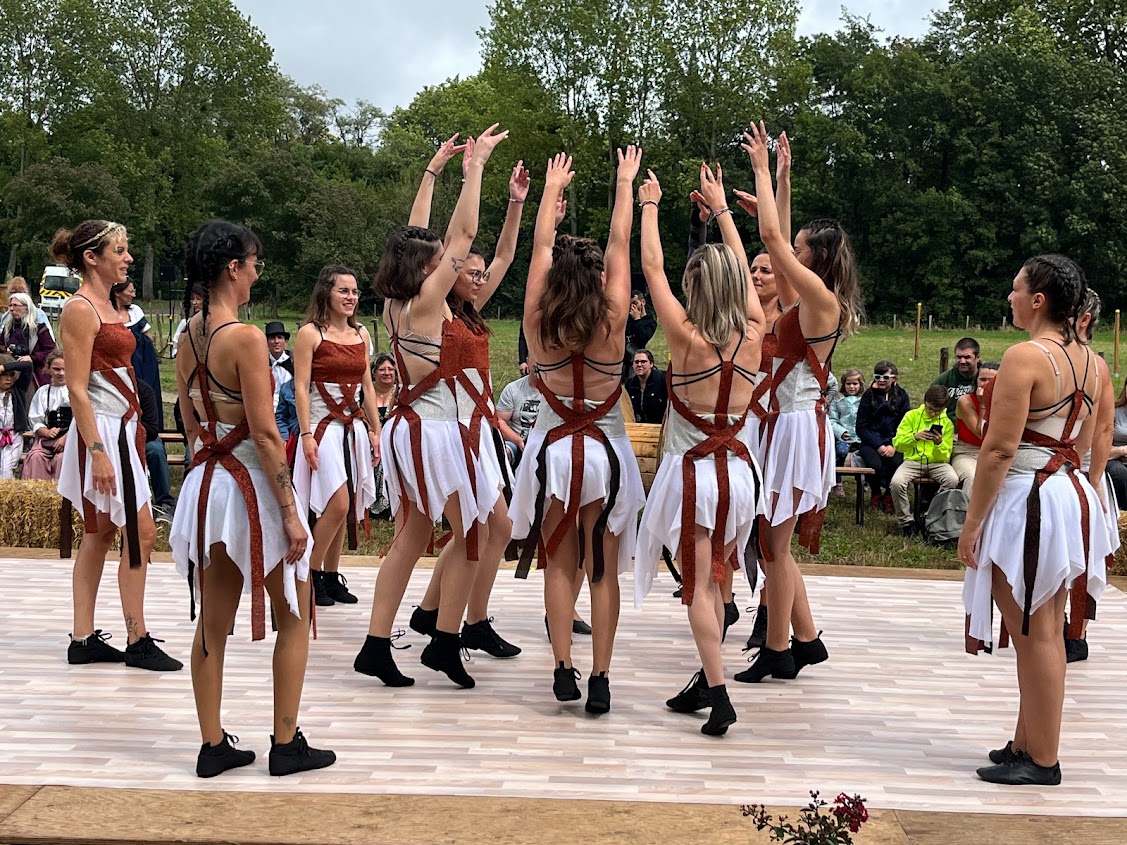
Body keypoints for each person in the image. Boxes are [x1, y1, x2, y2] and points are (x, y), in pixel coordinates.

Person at [171, 219, 333, 778]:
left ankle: (212, 744)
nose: (257, 272)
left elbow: (191, 420)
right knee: (296, 612)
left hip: (208, 485)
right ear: (233, 268)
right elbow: (266, 433)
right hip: (249, 489)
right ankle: (286, 743)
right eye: (255, 263)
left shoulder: (188, 335)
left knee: (212, 622)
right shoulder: (245, 338)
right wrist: (290, 511)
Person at [354, 126, 508, 689]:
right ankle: (443, 642)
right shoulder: (426, 303)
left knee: (412, 538)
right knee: (467, 535)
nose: (450, 259)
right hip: (434, 430)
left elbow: (415, 235)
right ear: (426, 269)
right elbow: (462, 233)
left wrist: (433, 172)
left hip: (416, 426)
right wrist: (476, 169)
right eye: (439, 260)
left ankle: (380, 643)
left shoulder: (398, 302)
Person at [960, 254, 1111, 786]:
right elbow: (1094, 441)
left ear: (1039, 299)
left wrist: (973, 523)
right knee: (1038, 627)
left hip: (1032, 497)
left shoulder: (1025, 356)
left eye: (1016, 289)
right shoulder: (1095, 362)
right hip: (1068, 493)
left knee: (1035, 632)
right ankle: (1027, 740)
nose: (1010, 297)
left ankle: (1043, 759)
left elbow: (998, 449)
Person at [509, 146, 647, 713]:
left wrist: (549, 192)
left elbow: (539, 248)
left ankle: (562, 665)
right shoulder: (613, 321)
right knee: (603, 568)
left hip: (553, 449)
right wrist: (624, 184)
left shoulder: (538, 319)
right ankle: (601, 677)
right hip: (606, 448)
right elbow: (620, 245)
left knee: (559, 560)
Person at [634, 165, 766, 736]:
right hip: (739, 473)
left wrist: (649, 205)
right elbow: (735, 265)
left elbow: (651, 267)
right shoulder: (756, 330)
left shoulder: (686, 338)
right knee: (716, 580)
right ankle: (707, 681)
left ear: (696, 288)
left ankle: (718, 693)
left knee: (697, 583)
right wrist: (722, 213)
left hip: (692, 475)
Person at [735, 123, 861, 685]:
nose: (789, 253)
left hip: (791, 426)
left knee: (775, 547)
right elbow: (776, 237)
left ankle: (780, 649)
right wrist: (782, 178)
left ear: (815, 257)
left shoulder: (819, 300)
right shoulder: (805, 297)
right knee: (774, 544)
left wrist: (762, 170)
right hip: (781, 423)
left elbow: (770, 236)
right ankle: (806, 640)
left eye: (800, 248)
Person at [407, 149, 529, 662]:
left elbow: (503, 257)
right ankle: (456, 623)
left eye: (480, 274)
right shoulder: (429, 307)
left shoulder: (473, 309)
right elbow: (417, 236)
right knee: (481, 528)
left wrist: (517, 203)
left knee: (495, 527)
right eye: (470, 271)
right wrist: (434, 174)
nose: (478, 278)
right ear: (447, 270)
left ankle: (445, 613)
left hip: (479, 430)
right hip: (446, 429)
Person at [52, 220, 180, 671]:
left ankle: (84, 637)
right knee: (141, 532)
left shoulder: (107, 303)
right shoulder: (81, 309)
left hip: (122, 429)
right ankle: (136, 637)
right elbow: (78, 387)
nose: (127, 258)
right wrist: (97, 451)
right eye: (120, 251)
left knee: (101, 532)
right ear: (92, 257)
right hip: (103, 432)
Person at [292, 266, 382, 607]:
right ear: (326, 293)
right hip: (322, 426)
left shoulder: (361, 335)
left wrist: (375, 430)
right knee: (337, 502)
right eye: (343, 290)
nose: (351, 297)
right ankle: (311, 573)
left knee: (349, 505)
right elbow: (301, 387)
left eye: (355, 291)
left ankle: (331, 575)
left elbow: (368, 388)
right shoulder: (310, 334)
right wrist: (305, 434)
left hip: (353, 427)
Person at [889, 384, 958, 537]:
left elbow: (945, 456)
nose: (933, 413)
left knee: (952, 480)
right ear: (924, 402)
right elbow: (897, 444)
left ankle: (931, 516)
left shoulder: (946, 423)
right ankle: (906, 521)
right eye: (930, 409)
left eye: (937, 411)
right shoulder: (911, 416)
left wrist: (939, 444)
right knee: (896, 482)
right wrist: (914, 437)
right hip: (912, 462)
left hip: (937, 463)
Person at [855, 360, 911, 511]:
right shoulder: (868, 396)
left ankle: (889, 495)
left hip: (895, 440)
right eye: (877, 376)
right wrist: (878, 445)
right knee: (875, 464)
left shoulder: (902, 396)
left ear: (894, 379)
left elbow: (906, 424)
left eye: (885, 378)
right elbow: (861, 426)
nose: (881, 380)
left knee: (896, 462)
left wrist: (893, 444)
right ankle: (875, 492)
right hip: (871, 441)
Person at [114, 281, 163, 430]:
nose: (133, 295)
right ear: (117, 292)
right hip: (119, 362)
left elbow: (146, 337)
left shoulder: (135, 311)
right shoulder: (107, 312)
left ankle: (150, 428)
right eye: (130, 291)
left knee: (146, 392)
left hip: (142, 362)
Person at [952, 362, 1000, 500]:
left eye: (991, 380)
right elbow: (981, 433)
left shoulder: (1005, 401)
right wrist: (982, 404)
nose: (985, 384)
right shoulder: (965, 401)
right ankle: (967, 518)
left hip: (995, 452)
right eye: (982, 379)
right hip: (968, 452)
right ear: (976, 380)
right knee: (973, 477)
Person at [22, 350, 70, 481]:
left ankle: (61, 497)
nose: (61, 373)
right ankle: (36, 495)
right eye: (56, 369)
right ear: (48, 368)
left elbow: (82, 419)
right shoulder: (43, 392)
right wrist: (47, 432)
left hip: (71, 437)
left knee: (61, 459)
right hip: (47, 439)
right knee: (36, 457)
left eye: (65, 369)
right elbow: (36, 420)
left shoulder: (75, 390)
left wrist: (66, 437)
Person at [136, 380, 176, 523]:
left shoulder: (144, 390)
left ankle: (164, 502)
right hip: (116, 436)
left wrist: (131, 420)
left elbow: (152, 431)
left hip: (144, 436)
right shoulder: (110, 389)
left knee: (156, 450)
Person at [3, 292, 56, 392]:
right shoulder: (8, 328)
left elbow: (51, 351)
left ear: (26, 308)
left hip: (33, 373)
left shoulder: (39, 329)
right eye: (10, 305)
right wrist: (6, 352)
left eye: (15, 305)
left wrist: (32, 358)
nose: (11, 309)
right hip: (11, 371)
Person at [368, 352, 397, 519]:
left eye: (390, 369)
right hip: (370, 441)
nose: (387, 373)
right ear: (374, 372)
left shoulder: (399, 393)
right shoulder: (366, 393)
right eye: (382, 369)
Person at [496, 362, 540, 468]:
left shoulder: (558, 392)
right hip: (516, 443)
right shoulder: (512, 389)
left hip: (545, 445)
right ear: (527, 361)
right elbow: (500, 421)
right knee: (502, 453)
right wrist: (519, 441)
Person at [933, 337, 980, 421]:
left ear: (977, 357)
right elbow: (930, 408)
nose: (962, 361)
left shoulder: (985, 379)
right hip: (947, 430)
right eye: (959, 357)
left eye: (967, 357)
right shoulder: (943, 381)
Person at [0, 353, 30, 478]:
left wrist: (4, 367)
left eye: (11, 375)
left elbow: (28, 366)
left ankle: (5, 496)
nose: (9, 379)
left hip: (13, 437)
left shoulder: (18, 390)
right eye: (4, 375)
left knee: (6, 470)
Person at [625, 348, 668, 423]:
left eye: (643, 362)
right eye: (636, 362)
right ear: (632, 365)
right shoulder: (629, 384)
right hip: (638, 428)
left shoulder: (663, 380)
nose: (639, 365)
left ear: (651, 364)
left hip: (660, 427)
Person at [623, 290, 658, 377]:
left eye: (635, 303)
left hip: (635, 358)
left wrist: (637, 319)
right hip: (622, 358)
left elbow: (643, 339)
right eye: (630, 304)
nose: (632, 306)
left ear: (643, 302)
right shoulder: (626, 319)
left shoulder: (650, 322)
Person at [266, 321, 294, 411]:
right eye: (272, 338)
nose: (276, 341)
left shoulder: (294, 364)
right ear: (266, 342)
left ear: (285, 341)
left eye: (280, 337)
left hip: (289, 411)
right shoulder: (261, 364)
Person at [171, 284, 204, 358]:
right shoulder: (185, 323)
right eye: (194, 299)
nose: (194, 302)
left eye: (198, 299)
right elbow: (175, 347)